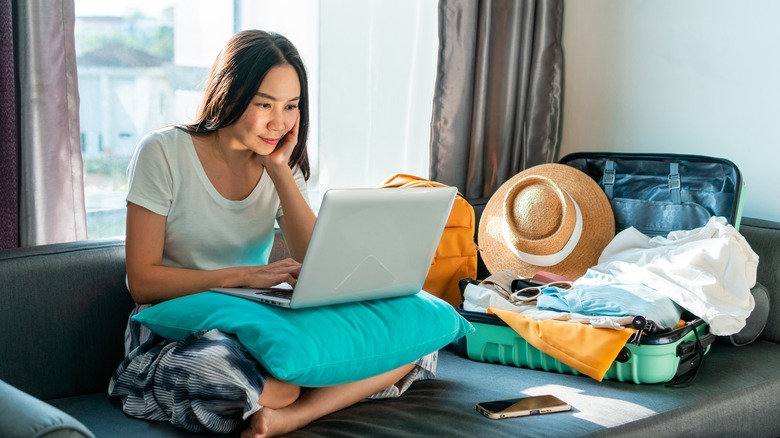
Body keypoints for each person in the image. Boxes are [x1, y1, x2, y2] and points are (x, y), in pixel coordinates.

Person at [108, 30, 437, 438]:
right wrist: (244, 276)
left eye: (291, 106)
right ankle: (305, 393)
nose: (278, 122)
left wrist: (280, 170)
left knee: (418, 336)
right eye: (264, 104)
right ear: (230, 93)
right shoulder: (163, 152)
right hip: (172, 328)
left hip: (254, 319)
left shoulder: (279, 162)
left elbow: (318, 260)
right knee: (263, 380)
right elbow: (142, 282)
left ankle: (295, 416)